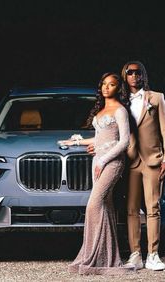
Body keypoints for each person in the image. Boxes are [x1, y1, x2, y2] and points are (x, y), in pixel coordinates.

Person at [59, 72, 133, 275]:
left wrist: (103, 159)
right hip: (97, 161)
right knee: (106, 208)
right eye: (103, 84)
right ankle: (108, 258)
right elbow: (99, 138)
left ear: (118, 88)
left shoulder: (120, 110)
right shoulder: (101, 110)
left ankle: (90, 256)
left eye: (111, 84)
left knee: (94, 205)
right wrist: (74, 142)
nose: (106, 88)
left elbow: (124, 141)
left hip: (111, 162)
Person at [120, 61, 165, 271]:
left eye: (137, 72)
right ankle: (135, 255)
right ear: (125, 76)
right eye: (129, 72)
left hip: (153, 160)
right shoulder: (121, 102)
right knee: (131, 209)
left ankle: (153, 254)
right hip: (131, 161)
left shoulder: (156, 98)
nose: (134, 76)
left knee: (153, 208)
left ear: (143, 75)